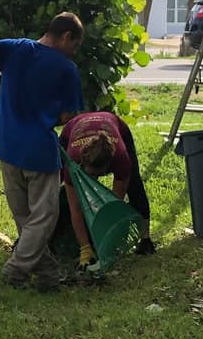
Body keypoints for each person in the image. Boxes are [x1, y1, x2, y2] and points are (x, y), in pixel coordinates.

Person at [0, 12, 86, 289]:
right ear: (66, 37)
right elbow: (66, 116)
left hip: (7, 145)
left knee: (25, 217)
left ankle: (48, 274)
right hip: (39, 151)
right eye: (74, 45)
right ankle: (15, 271)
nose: (73, 52)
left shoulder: (14, 48)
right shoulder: (67, 70)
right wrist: (44, 117)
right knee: (43, 218)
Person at [60, 108, 155, 266]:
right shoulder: (73, 161)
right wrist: (85, 248)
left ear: (109, 166)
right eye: (89, 175)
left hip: (115, 124)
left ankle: (146, 240)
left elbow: (114, 206)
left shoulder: (121, 159)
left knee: (134, 183)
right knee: (54, 180)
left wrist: (109, 240)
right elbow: (75, 208)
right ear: (82, 164)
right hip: (72, 128)